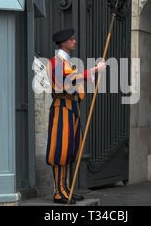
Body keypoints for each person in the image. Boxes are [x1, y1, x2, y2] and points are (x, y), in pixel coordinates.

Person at [46, 28, 106, 204]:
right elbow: (65, 82)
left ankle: (66, 189)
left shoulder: (68, 63)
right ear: (63, 43)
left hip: (72, 108)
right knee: (60, 151)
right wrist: (93, 70)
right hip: (62, 108)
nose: (74, 42)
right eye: (71, 40)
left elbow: (76, 79)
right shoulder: (55, 62)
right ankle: (59, 192)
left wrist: (91, 75)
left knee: (70, 151)